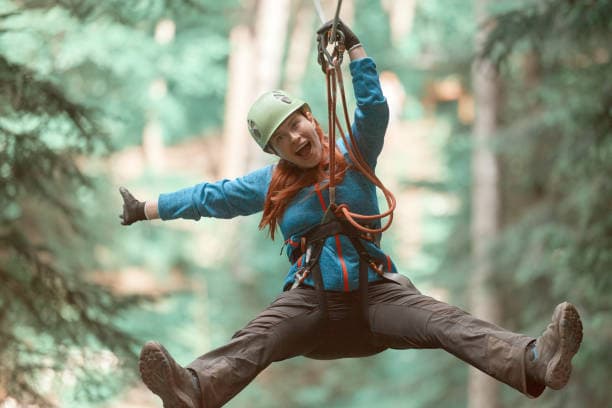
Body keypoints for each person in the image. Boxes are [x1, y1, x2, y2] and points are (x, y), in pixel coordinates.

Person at [119, 20, 583, 408]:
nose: (296, 138)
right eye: (282, 139)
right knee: (255, 338)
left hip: (376, 296)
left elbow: (374, 110)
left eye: (296, 124)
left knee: (447, 322)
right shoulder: (269, 185)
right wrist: (145, 208)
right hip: (310, 301)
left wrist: (356, 50)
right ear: (275, 151)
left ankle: (536, 358)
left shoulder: (354, 154)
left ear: (309, 117)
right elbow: (209, 197)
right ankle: (192, 388)